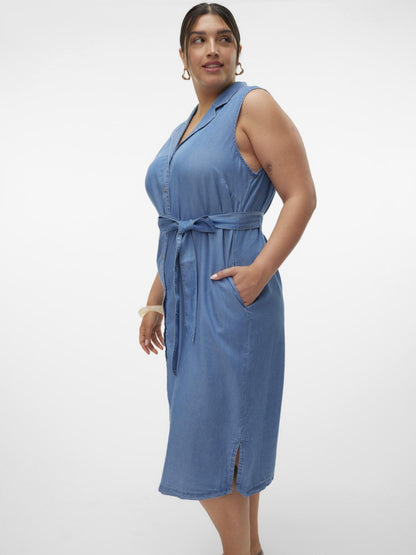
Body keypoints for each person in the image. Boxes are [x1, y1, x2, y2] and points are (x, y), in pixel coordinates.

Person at [139, 3, 317, 554]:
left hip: (233, 296)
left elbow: (301, 195)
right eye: (198, 40)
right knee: (226, 438)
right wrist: (155, 300)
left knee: (217, 435)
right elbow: (181, 224)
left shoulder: (252, 104)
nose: (211, 49)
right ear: (183, 56)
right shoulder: (184, 129)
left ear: (238, 52)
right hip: (187, 300)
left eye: (223, 38)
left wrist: (259, 273)